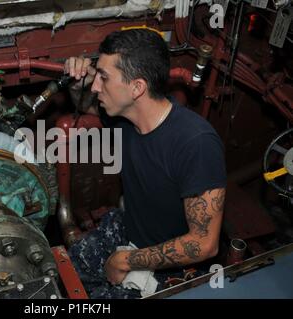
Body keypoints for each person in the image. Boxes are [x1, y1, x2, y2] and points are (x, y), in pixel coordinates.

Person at [64, 29, 227, 299]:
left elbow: (204, 244)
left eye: (103, 78)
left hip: (173, 267)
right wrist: (76, 82)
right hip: (130, 229)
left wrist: (126, 261)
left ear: (137, 87)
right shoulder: (124, 115)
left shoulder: (195, 143)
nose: (95, 86)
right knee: (66, 272)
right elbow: (85, 103)